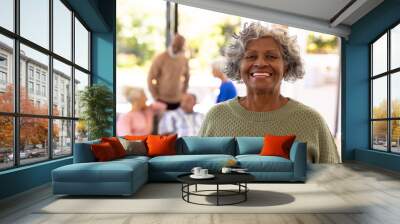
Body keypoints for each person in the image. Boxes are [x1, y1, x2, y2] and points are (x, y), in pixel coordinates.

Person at [199, 23, 339, 163]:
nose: (260, 63)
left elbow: (333, 181)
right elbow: (197, 175)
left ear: (287, 66)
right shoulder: (215, 118)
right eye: (251, 56)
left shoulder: (311, 121)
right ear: (238, 66)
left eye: (271, 56)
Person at [148, 33, 190, 110]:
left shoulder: (183, 59)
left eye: (180, 44)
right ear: (172, 43)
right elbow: (150, 78)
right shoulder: (161, 58)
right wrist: (155, 96)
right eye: (176, 43)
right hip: (162, 99)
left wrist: (184, 92)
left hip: (178, 99)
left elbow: (187, 77)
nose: (177, 46)